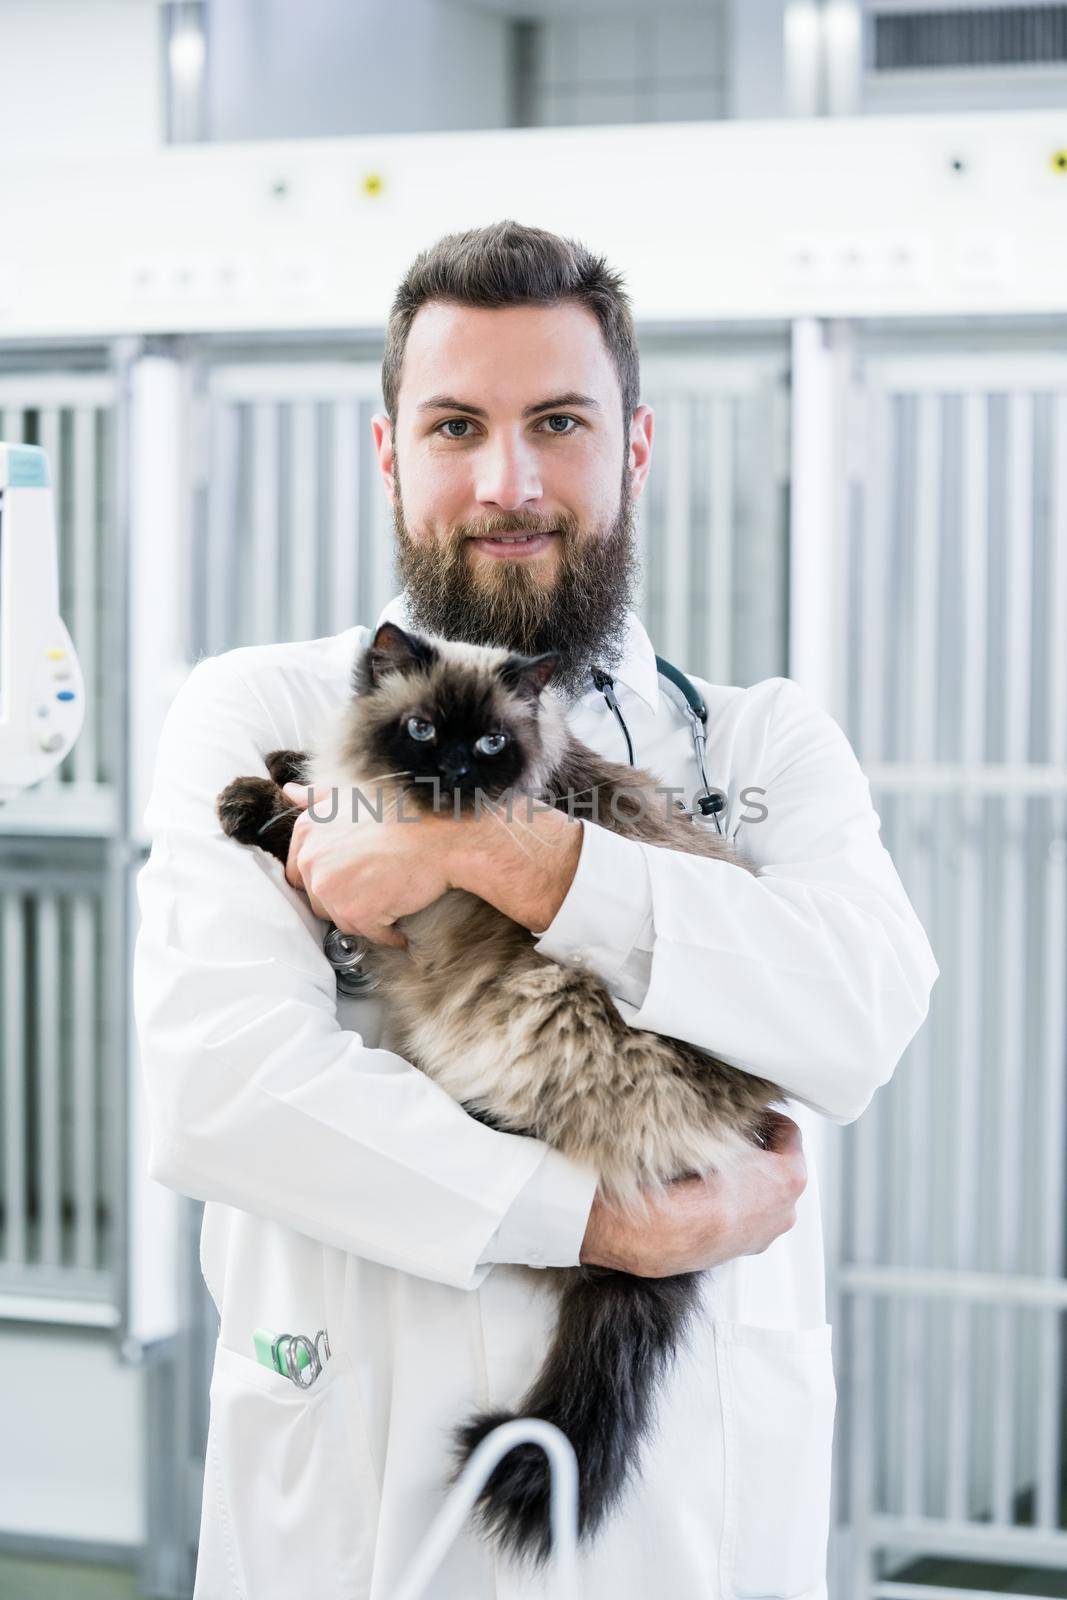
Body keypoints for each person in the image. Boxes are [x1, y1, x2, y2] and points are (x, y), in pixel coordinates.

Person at [133, 220, 939, 1600]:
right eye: (456, 426)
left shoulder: (762, 745)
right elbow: (219, 1089)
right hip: (372, 1513)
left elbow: (860, 1021)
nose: (509, 482)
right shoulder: (257, 709)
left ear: (633, 446)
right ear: (391, 457)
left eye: (558, 421)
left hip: (691, 1524)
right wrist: (602, 1223)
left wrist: (512, 860)